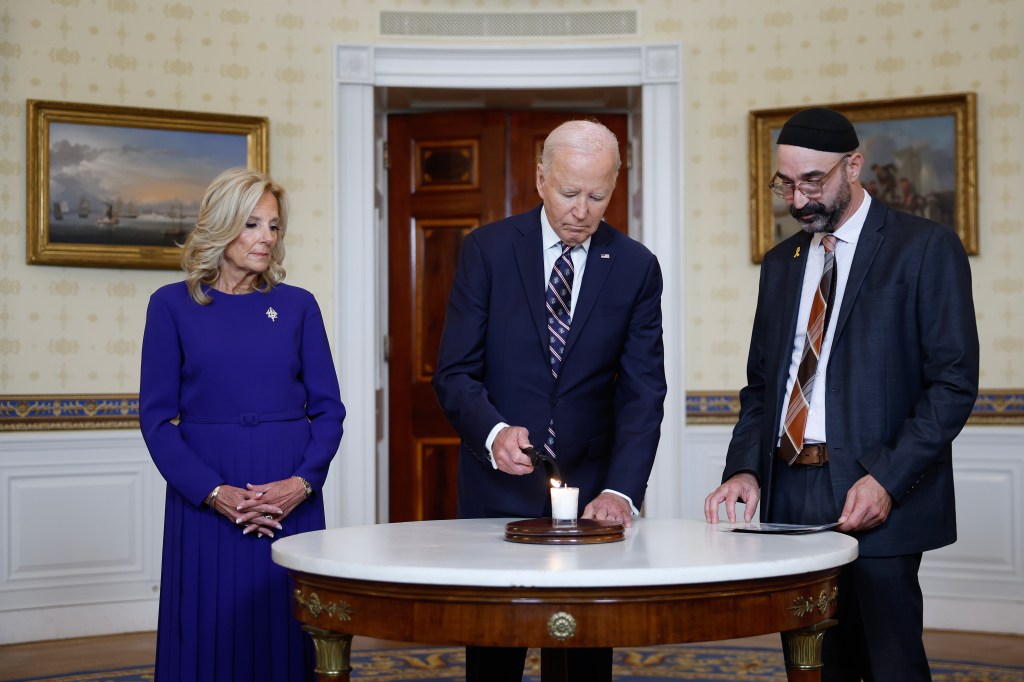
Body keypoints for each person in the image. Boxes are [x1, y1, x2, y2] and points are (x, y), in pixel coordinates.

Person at [704, 108, 979, 681]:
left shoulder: (924, 247)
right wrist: (744, 470)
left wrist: (887, 479)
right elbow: (763, 387)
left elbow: (952, 383)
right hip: (790, 498)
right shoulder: (782, 265)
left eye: (814, 181)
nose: (798, 199)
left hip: (877, 493)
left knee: (889, 664)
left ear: (854, 166)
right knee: (812, 666)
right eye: (787, 183)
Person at [432, 119, 667, 682]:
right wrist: (492, 432)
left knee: (582, 662)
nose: (582, 210)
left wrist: (621, 491)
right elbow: (455, 372)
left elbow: (643, 392)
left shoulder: (636, 267)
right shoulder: (486, 251)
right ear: (540, 179)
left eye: (598, 195)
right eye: (569, 193)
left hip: (591, 500)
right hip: (497, 494)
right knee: (493, 657)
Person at [140, 167, 346, 681]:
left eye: (273, 227)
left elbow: (328, 410)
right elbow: (157, 420)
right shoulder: (171, 305)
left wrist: (300, 485)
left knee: (288, 630)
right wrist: (214, 492)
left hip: (289, 494)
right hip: (207, 496)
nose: (266, 239)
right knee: (206, 633)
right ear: (221, 225)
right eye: (252, 225)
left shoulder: (298, 306)